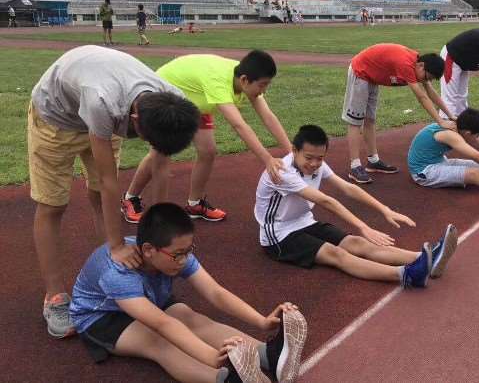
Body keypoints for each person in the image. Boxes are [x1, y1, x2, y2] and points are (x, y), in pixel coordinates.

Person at [28, 45, 200, 338]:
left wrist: (157, 237)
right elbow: (110, 182)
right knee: (53, 205)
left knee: (97, 195)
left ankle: (112, 273)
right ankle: (54, 296)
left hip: (105, 106)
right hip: (57, 118)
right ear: (136, 121)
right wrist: (119, 245)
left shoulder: (172, 101)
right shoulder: (102, 102)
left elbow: (160, 168)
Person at [70, 203, 308, 383]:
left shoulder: (171, 252)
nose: (184, 260)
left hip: (149, 297)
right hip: (102, 317)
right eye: (178, 254)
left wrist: (262, 321)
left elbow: (215, 292)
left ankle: (271, 356)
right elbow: (162, 324)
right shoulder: (117, 273)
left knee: (191, 318)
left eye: (188, 251)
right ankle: (227, 379)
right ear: (149, 250)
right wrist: (212, 357)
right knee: (158, 341)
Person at [255, 125, 459, 286]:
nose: (314, 164)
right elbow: (325, 201)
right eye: (309, 158)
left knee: (357, 243)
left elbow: (348, 188)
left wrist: (384, 209)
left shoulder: (317, 163)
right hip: (278, 235)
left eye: (320, 158)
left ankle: (428, 257)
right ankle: (406, 275)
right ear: (294, 150)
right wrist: (363, 226)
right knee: (336, 254)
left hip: (304, 222)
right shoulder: (282, 172)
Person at [123, 51, 291, 224]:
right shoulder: (218, 82)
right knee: (160, 155)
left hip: (195, 100)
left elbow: (268, 116)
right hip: (167, 96)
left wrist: (292, 151)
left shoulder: (246, 77)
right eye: (262, 85)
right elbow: (239, 125)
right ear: (244, 80)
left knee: (208, 151)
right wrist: (267, 159)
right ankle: (133, 200)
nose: (264, 90)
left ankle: (194, 204)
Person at [342, 43, 453, 184]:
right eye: (427, 77)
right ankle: (355, 166)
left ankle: (373, 161)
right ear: (421, 66)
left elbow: (431, 92)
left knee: (370, 120)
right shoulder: (406, 65)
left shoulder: (418, 65)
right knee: (355, 120)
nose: (426, 81)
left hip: (372, 75)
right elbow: (422, 97)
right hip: (360, 71)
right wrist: (440, 121)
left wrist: (449, 115)